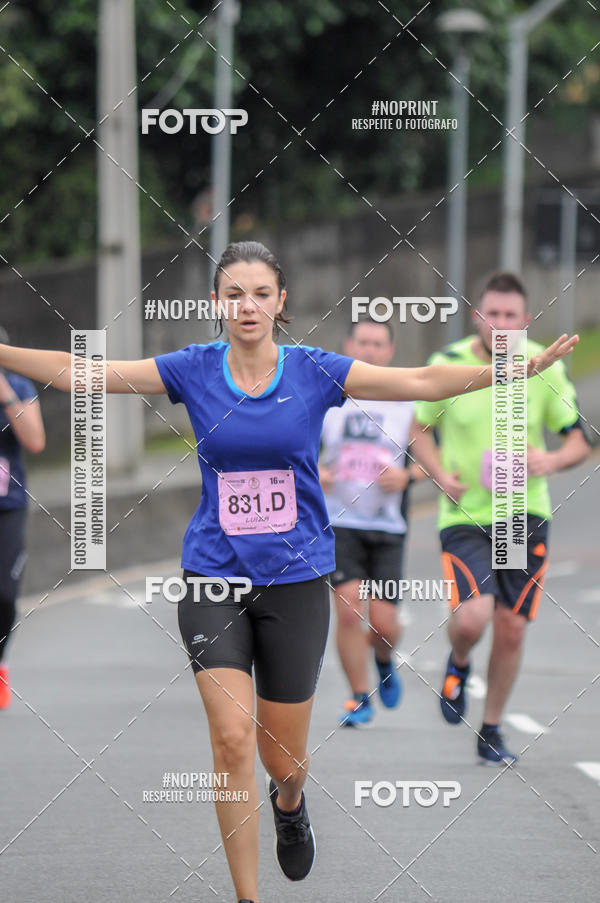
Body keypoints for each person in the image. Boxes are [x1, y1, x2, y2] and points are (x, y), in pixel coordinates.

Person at [0, 245, 577, 902]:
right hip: (214, 577)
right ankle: (247, 897)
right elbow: (83, 372)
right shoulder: (193, 369)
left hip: (297, 579)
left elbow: (418, 383)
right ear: (217, 303)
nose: (247, 305)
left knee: (284, 759)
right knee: (230, 737)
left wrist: (511, 371)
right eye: (234, 293)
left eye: (260, 292)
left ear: (280, 301)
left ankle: (290, 800)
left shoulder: (314, 371)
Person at [413, 272, 591, 766]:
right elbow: (418, 428)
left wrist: (551, 461)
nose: (503, 324)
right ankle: (460, 659)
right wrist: (439, 475)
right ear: (478, 316)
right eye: (494, 314)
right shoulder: (447, 365)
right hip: (465, 513)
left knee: (511, 628)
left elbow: (579, 438)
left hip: (522, 514)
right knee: (472, 617)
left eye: (512, 316)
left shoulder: (542, 366)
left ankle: (490, 729)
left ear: (526, 320)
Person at [319, 316, 427, 727]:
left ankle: (383, 660)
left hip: (386, 526)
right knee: (348, 613)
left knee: (383, 624)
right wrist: (316, 471)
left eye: (377, 344)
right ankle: (358, 697)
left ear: (390, 351)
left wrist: (408, 476)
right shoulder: (328, 397)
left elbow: (432, 460)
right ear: (348, 345)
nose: (369, 350)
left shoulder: (407, 403)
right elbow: (297, 451)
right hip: (338, 520)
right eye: (362, 342)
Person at [0, 325, 46, 710]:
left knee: (4, 594)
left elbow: (35, 440)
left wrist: (6, 394)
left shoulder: (18, 385)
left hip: (7, 506)